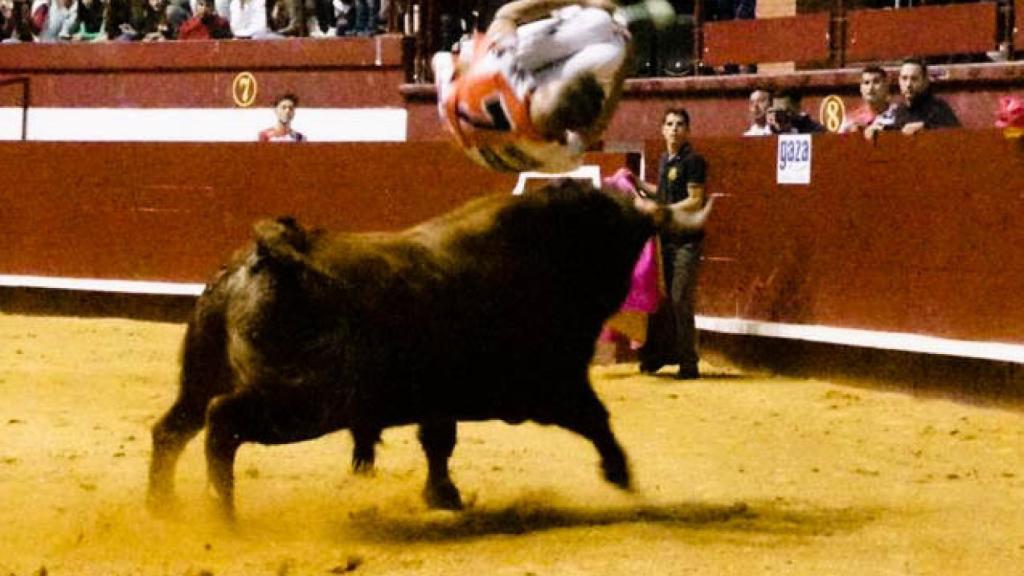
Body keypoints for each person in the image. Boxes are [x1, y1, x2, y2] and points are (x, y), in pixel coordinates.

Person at [432, 0, 631, 173]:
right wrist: (623, 67)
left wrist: (584, 1)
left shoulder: (495, 72)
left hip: (466, 84)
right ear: (563, 133)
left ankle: (578, 19)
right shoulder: (558, 154)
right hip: (489, 138)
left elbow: (507, 15)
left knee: (600, 27)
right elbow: (594, 131)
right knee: (610, 46)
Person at [636, 107, 706, 380]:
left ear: (687, 131)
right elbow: (664, 193)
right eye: (669, 124)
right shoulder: (666, 159)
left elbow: (694, 201)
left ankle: (689, 362)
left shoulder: (694, 161)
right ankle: (664, 354)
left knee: (679, 300)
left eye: (679, 124)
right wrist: (638, 184)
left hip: (687, 241)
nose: (674, 129)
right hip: (667, 241)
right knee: (667, 300)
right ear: (662, 129)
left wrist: (661, 211)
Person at [889, 58, 961, 135]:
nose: (908, 84)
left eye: (914, 79)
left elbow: (958, 137)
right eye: (904, 78)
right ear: (899, 81)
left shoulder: (938, 108)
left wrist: (926, 128)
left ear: (925, 81)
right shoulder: (900, 111)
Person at [843, 65, 898, 139]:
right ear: (861, 89)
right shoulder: (850, 119)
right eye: (866, 83)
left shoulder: (898, 114)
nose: (870, 88)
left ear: (886, 86)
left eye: (876, 82)